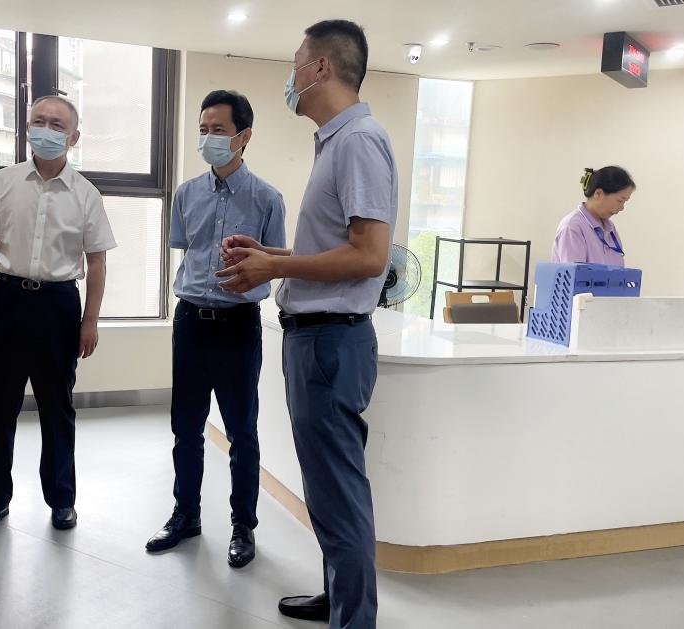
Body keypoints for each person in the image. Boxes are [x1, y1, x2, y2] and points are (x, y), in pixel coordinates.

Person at [216, 19, 396, 629]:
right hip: (318, 339)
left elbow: (369, 255)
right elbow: (338, 248)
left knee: (338, 494)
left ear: (320, 67)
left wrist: (276, 265)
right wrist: (272, 257)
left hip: (330, 340)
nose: (290, 76)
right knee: (326, 488)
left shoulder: (358, 141)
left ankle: (353, 618)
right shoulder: (336, 141)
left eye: (296, 62)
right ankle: (338, 596)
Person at [0, 95, 116, 536]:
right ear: (27, 127)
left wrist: (90, 321)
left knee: (57, 407)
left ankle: (62, 499)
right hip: (6, 300)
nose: (45, 130)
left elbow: (97, 262)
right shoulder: (4, 181)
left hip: (58, 306)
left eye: (57, 124)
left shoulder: (85, 194)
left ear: (74, 137)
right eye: (38, 121)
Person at [145, 90, 286, 568]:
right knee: (185, 427)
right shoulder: (187, 194)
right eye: (203, 130)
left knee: (242, 432)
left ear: (243, 137)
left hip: (237, 325)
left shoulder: (267, 199)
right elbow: (186, 249)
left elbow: (276, 262)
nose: (208, 138)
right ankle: (185, 515)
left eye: (218, 130)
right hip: (190, 322)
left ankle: (243, 526)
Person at [551, 166, 635, 266]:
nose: (622, 208)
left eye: (625, 202)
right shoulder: (572, 227)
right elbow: (574, 274)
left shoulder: (610, 228)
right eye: (620, 201)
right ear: (598, 193)